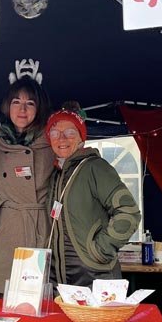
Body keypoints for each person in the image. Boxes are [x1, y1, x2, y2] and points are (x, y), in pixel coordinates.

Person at [46, 102, 140, 286]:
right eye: (55, 133)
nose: (62, 139)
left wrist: (101, 250)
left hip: (96, 276)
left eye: (70, 133)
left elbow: (129, 212)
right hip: (62, 279)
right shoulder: (56, 174)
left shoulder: (96, 167)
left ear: (81, 137)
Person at [0, 65, 53, 293]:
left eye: (30, 103)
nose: (22, 110)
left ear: (39, 108)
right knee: (4, 299)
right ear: (7, 106)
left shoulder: (53, 140)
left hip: (40, 225)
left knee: (37, 300)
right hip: (6, 227)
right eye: (16, 102)